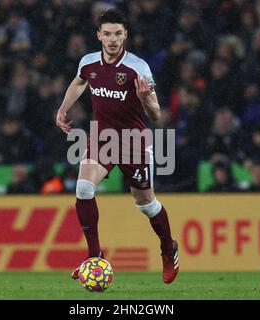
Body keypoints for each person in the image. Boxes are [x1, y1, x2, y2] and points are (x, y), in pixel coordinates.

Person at [55, 9, 178, 284]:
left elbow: (157, 115)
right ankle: (94, 255)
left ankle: (168, 248)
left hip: (134, 141)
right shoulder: (88, 62)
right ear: (99, 35)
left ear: (125, 35)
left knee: (146, 204)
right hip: (103, 139)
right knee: (84, 189)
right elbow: (79, 82)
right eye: (107, 34)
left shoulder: (138, 68)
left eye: (118, 34)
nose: (112, 39)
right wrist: (63, 109)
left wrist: (146, 99)